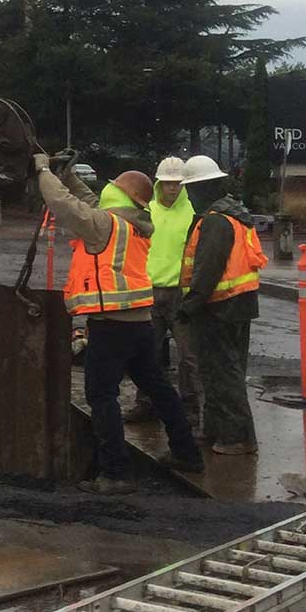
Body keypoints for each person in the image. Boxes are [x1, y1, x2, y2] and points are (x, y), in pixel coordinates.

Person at [35, 154, 205, 495]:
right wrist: (68, 176)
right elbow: (86, 201)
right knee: (159, 388)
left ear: (121, 196)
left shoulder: (105, 226)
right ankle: (187, 453)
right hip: (139, 323)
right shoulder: (132, 222)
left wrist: (42, 170)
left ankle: (114, 473)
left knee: (101, 395)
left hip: (110, 324)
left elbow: (63, 205)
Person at [177, 153, 267, 455]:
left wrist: (189, 306)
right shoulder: (236, 214)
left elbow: (207, 269)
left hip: (219, 307)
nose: (188, 196)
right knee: (220, 371)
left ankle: (237, 437)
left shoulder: (216, 221)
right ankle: (215, 430)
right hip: (238, 304)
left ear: (202, 189)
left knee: (223, 373)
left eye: (190, 190)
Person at [125, 157, 200, 424]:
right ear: (159, 183)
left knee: (189, 356)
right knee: (147, 353)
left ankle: (191, 408)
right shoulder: (149, 212)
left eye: (177, 183)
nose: (172, 188)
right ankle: (146, 403)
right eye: (167, 183)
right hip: (150, 290)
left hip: (180, 294)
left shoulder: (192, 214)